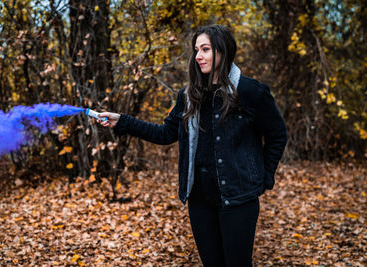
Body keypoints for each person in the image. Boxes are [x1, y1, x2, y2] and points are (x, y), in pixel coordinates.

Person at [97, 24, 287, 266]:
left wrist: (265, 176)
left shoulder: (250, 92)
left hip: (238, 200)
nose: (198, 56)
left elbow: (277, 134)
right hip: (200, 201)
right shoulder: (189, 96)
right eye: (196, 50)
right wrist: (122, 121)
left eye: (205, 49)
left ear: (222, 50)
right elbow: (165, 133)